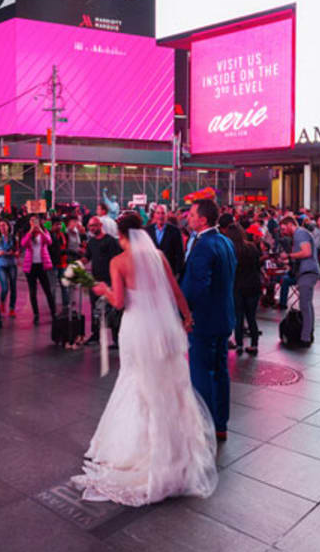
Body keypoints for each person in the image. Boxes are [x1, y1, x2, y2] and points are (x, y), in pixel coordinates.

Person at [73, 211, 218, 506]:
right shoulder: (158, 256)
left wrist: (100, 288)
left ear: (121, 236)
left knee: (135, 381)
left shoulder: (119, 262)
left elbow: (120, 301)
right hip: (163, 329)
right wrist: (187, 317)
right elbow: (176, 291)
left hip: (137, 329)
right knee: (167, 384)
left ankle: (138, 451)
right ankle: (176, 452)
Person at [180, 199, 236, 441]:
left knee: (201, 372)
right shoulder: (225, 241)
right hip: (223, 316)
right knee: (221, 371)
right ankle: (220, 422)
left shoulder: (203, 245)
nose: (188, 218)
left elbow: (197, 286)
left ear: (202, 219)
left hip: (203, 320)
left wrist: (186, 313)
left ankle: (204, 424)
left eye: (192, 214)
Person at [223, 219, 261, 356]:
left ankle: (239, 344)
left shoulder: (229, 250)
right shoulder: (252, 247)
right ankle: (254, 344)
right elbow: (258, 266)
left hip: (237, 287)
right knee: (251, 317)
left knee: (238, 317)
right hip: (253, 285)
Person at [279, 216, 319, 346]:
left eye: (284, 228)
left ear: (290, 224)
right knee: (307, 304)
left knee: (304, 305)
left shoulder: (300, 233)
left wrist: (289, 256)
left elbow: (306, 252)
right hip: (307, 272)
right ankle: (309, 333)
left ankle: (305, 338)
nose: (283, 232)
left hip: (307, 272)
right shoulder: (300, 235)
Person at [85, 215, 122, 344]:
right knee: (94, 308)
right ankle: (96, 336)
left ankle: (116, 339)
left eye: (94, 225)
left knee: (112, 309)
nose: (92, 228)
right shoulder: (91, 242)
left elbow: (117, 260)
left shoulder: (110, 241)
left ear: (100, 225)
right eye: (90, 226)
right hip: (95, 280)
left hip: (109, 280)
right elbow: (87, 257)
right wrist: (76, 266)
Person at [21, 219, 57, 324]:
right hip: (31, 266)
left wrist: (40, 230)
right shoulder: (27, 233)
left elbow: (49, 242)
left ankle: (53, 312)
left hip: (42, 265)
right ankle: (36, 314)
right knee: (33, 292)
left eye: (35, 221)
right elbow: (23, 244)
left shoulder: (44, 232)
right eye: (31, 222)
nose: (34, 223)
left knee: (47, 290)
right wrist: (31, 231)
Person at [146, 204, 185, 278]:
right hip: (151, 272)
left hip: (169, 272)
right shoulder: (148, 230)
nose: (160, 216)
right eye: (158, 213)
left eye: (163, 213)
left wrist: (177, 273)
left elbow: (180, 254)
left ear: (167, 215)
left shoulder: (175, 231)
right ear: (154, 215)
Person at [0, 219, 18, 317]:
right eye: (0, 226)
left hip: (12, 264)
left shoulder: (13, 238)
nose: (2, 228)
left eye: (4, 225)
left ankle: (12, 308)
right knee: (4, 287)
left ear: (8, 226)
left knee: (13, 287)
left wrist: (13, 253)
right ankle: (2, 302)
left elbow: (17, 251)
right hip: (0, 265)